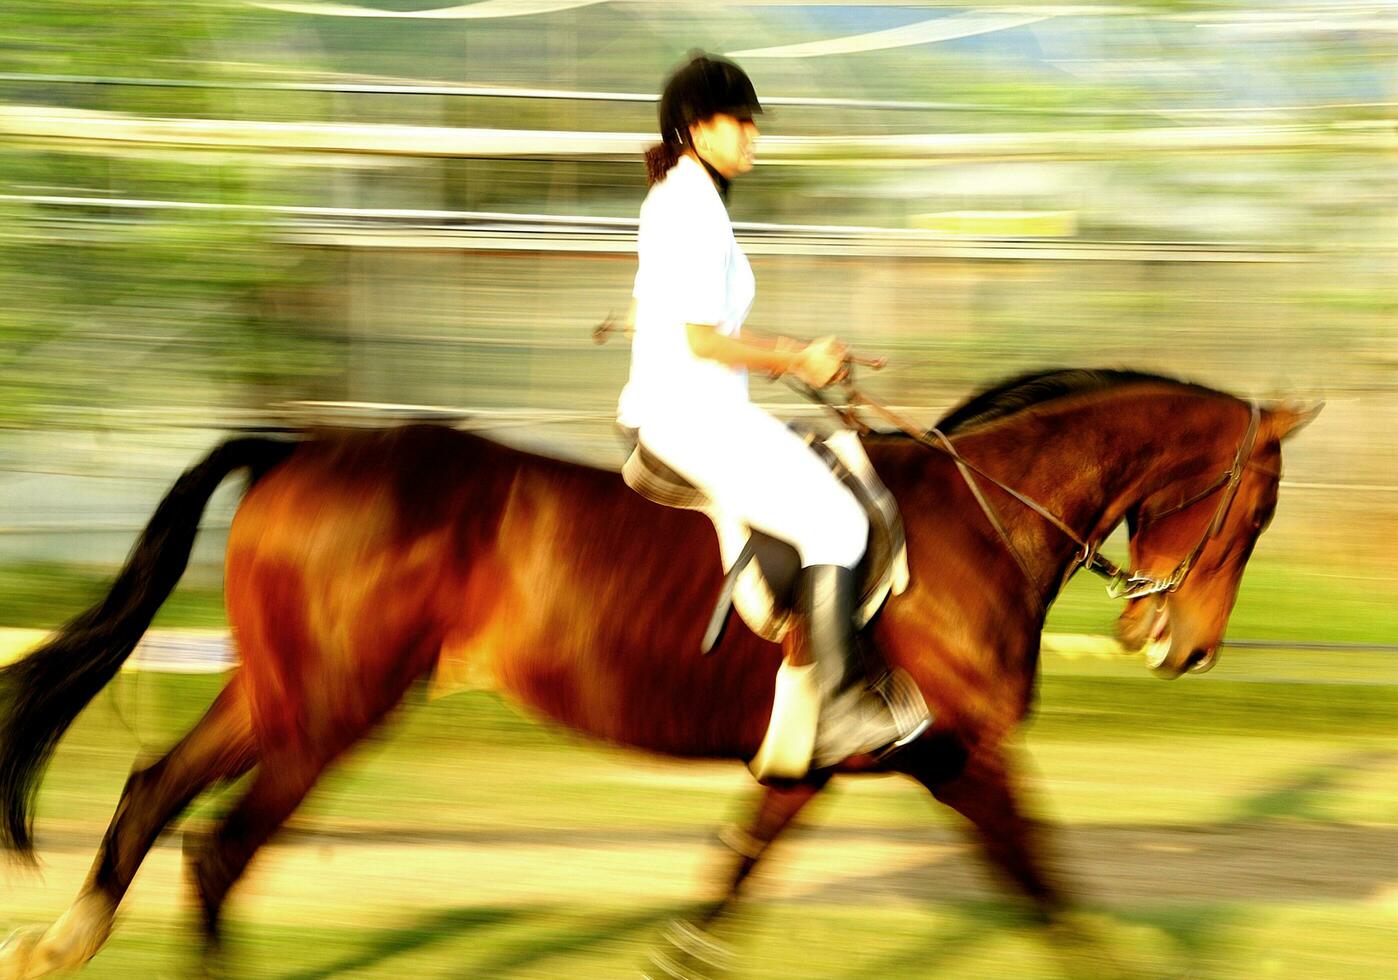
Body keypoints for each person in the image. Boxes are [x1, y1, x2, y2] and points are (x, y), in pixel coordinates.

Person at [618, 53, 929, 778]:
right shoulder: (690, 205)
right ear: (698, 129)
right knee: (839, 523)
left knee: (834, 480)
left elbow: (658, 315)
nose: (754, 135)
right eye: (741, 122)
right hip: (691, 418)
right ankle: (843, 705)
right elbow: (700, 338)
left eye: (754, 123)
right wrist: (798, 357)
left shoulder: (683, 196)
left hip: (704, 406)